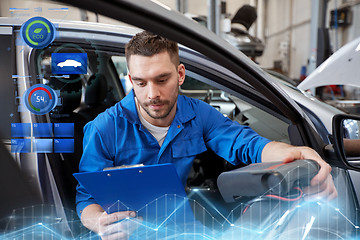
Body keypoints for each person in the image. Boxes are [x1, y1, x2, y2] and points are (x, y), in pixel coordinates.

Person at [76, 31, 337, 239]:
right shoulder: (104, 128)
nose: (152, 94)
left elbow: (248, 145)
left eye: (162, 79)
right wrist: (99, 223)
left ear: (180, 75)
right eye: (141, 83)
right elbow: (86, 199)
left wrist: (297, 153)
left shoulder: (199, 115)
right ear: (131, 80)